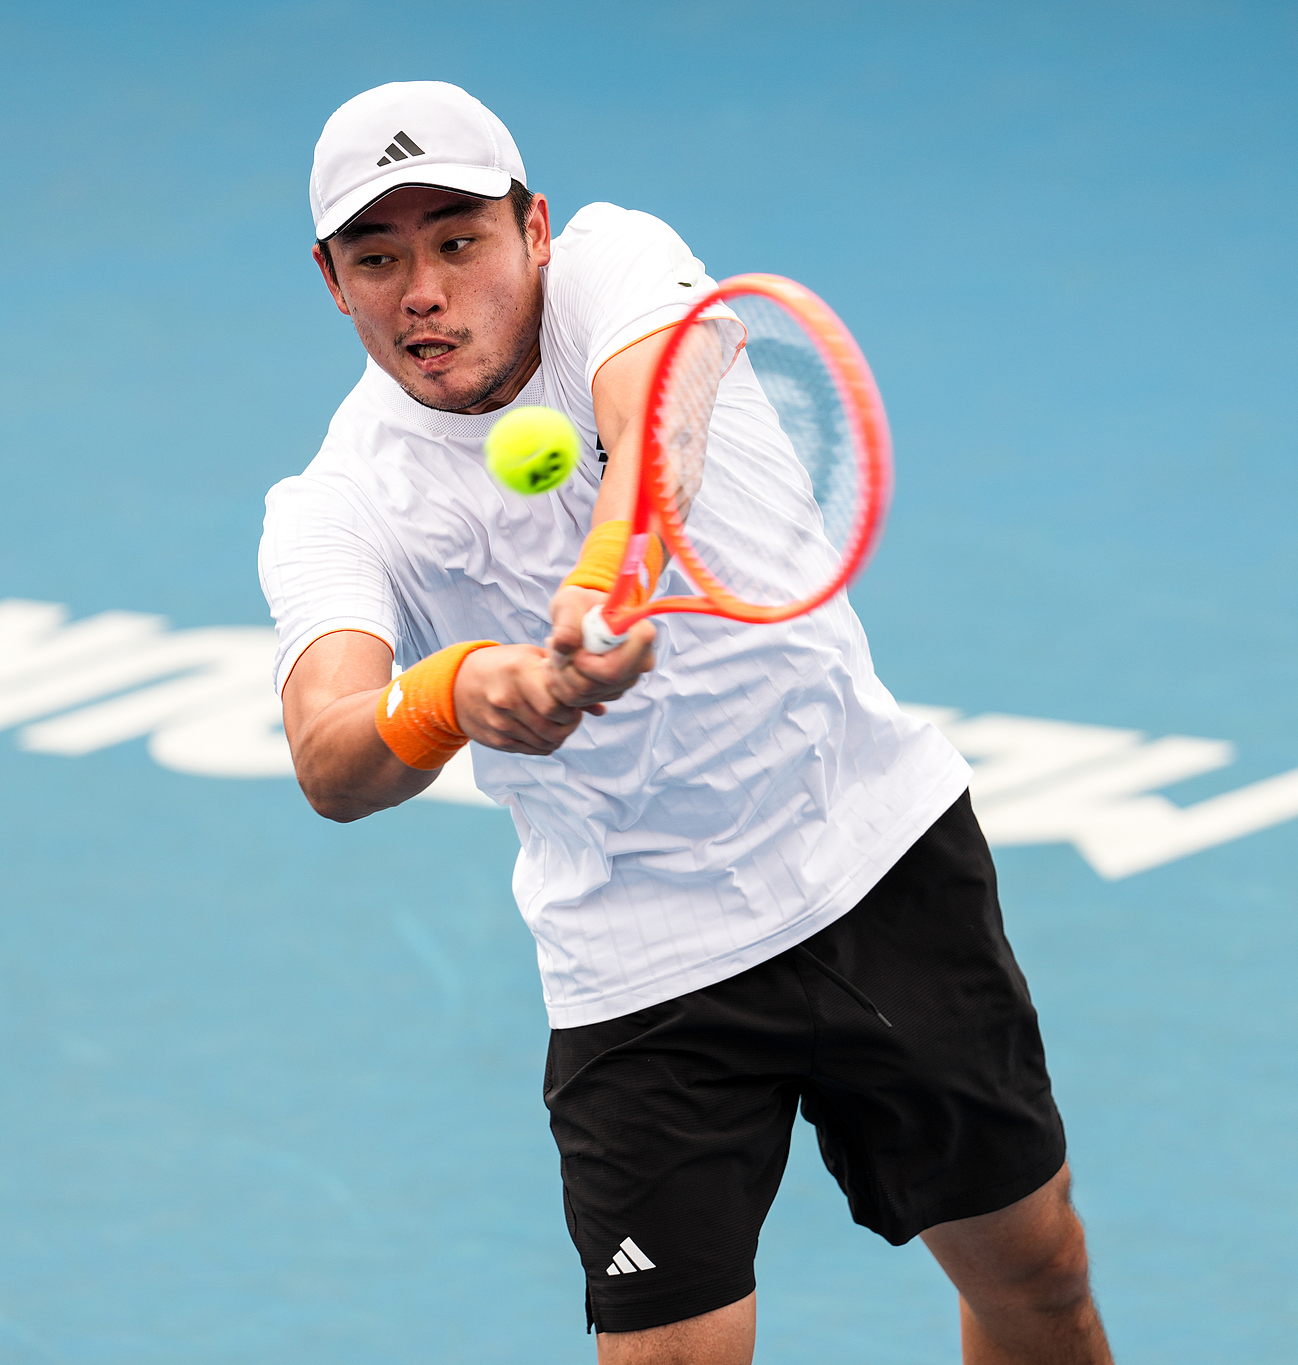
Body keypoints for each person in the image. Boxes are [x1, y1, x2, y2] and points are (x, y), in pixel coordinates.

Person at [258, 81, 1113, 1365]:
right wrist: (463, 689)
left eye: (457, 241)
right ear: (331, 282)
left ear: (532, 229)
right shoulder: (331, 502)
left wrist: (601, 576)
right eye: (377, 259)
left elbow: (654, 420)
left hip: (870, 855)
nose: (422, 290)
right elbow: (329, 756)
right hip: (638, 960)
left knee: (1035, 1277)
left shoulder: (617, 258)